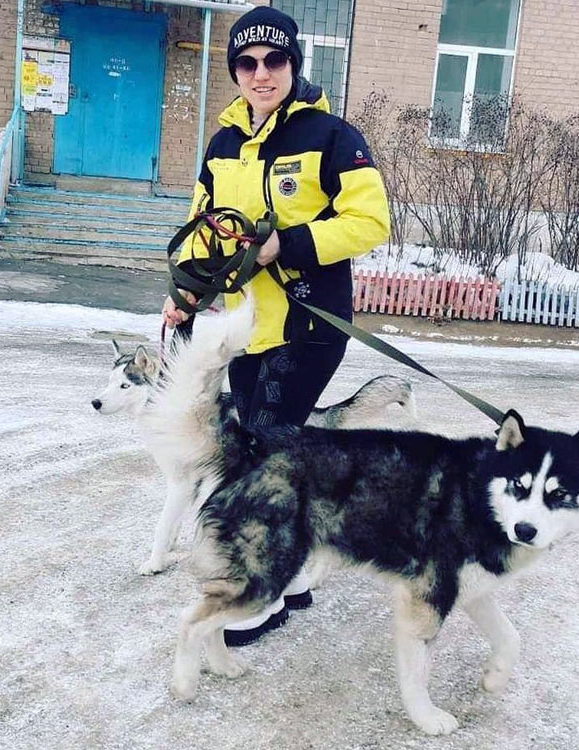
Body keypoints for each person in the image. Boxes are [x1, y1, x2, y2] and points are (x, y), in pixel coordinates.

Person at [162, 6, 390, 646]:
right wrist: (183, 292)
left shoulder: (331, 136)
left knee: (261, 455)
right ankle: (293, 579)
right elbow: (207, 233)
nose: (262, 74)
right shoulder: (223, 145)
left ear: (294, 64)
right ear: (235, 70)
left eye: (275, 60)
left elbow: (371, 223)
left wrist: (283, 246)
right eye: (248, 62)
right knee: (267, 451)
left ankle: (262, 593)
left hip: (310, 322)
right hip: (248, 326)